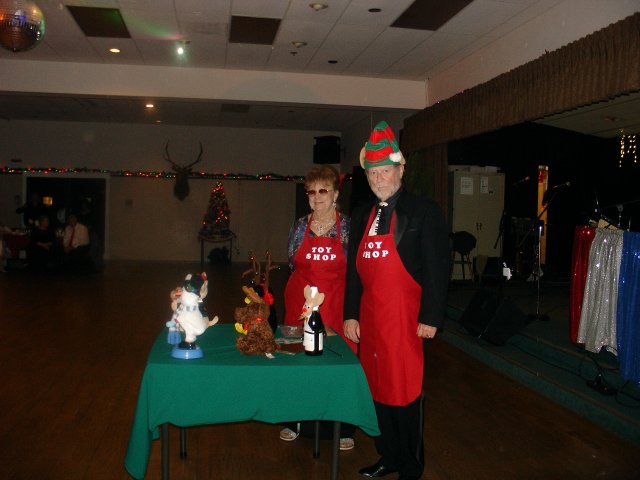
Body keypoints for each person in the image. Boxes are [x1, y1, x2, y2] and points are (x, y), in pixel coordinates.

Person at [343, 121, 449, 480]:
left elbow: (437, 268)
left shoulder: (424, 211)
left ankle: (411, 466)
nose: (379, 179)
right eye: (373, 173)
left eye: (385, 171)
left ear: (400, 170)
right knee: (375, 390)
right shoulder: (361, 215)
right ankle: (388, 455)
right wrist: (351, 314)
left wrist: (431, 317)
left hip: (406, 320)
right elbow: (353, 272)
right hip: (370, 320)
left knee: (405, 393)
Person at [280, 164, 356, 450]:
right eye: (311, 192)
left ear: (335, 194)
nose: (317, 196)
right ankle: (295, 421)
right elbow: (292, 262)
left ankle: (343, 426)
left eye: (323, 190)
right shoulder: (300, 226)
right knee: (298, 362)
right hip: (299, 304)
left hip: (336, 303)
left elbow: (356, 270)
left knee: (339, 364)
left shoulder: (348, 227)